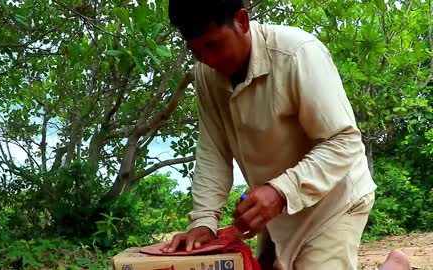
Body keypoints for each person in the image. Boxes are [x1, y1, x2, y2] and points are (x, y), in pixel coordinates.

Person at [162, 0, 411, 269]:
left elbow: (344, 141)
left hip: (334, 199)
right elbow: (213, 150)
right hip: (281, 206)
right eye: (196, 51)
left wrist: (280, 192)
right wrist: (204, 222)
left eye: (213, 45)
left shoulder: (297, 53)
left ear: (242, 21)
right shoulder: (206, 75)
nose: (208, 60)